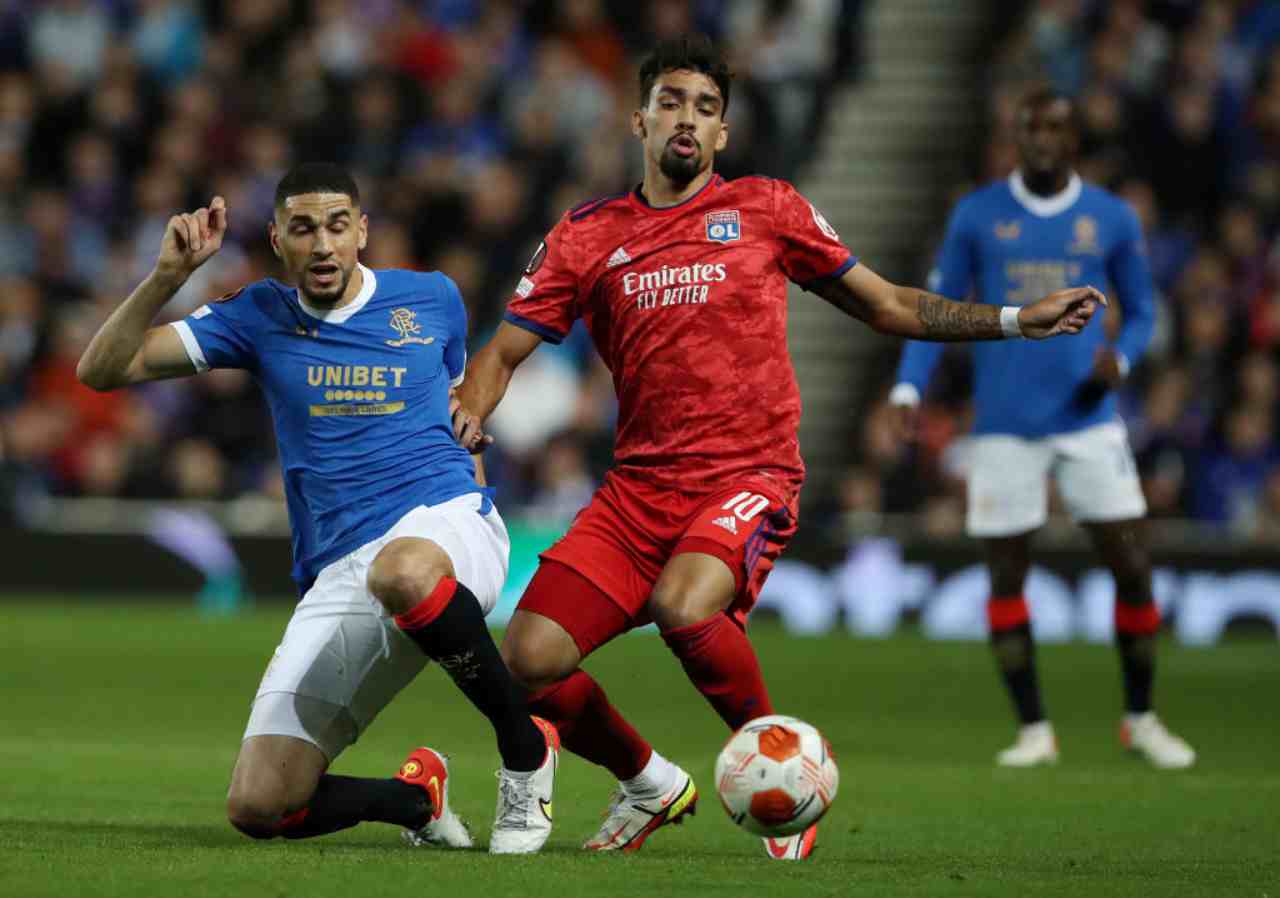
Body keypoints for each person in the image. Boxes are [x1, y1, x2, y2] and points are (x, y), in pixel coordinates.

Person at [452, 36, 1104, 860]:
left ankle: (790, 775)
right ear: (639, 120)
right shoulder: (588, 235)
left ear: (722, 134)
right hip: (637, 492)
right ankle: (647, 781)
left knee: (684, 607)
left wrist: (1015, 320)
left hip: (748, 473)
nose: (688, 119)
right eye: (673, 103)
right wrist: (471, 411)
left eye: (707, 108)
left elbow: (889, 305)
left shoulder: (768, 209)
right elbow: (504, 351)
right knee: (530, 659)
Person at [76, 163, 560, 854]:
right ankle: (412, 800)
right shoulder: (256, 316)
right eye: (304, 230)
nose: (324, 245)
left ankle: (525, 748)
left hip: (447, 521)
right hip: (341, 567)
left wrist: (474, 501)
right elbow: (101, 371)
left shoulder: (430, 299)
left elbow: (457, 408)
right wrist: (166, 278)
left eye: (337, 226)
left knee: (404, 571)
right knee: (260, 804)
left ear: (362, 230)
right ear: (279, 240)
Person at [890, 88, 1195, 769]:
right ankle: (1033, 730)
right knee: (1005, 577)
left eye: (1056, 126)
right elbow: (936, 309)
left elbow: (1143, 311)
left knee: (1133, 567)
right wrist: (910, 384)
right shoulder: (977, 214)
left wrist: (1126, 356)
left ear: (1074, 137)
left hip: (1089, 420)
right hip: (1002, 426)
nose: (1042, 138)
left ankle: (1141, 718)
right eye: (1030, 126)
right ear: (1017, 135)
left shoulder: (1110, 219)